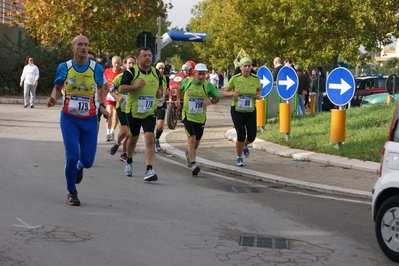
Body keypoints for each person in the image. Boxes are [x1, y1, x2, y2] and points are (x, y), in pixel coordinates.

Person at [46, 35, 109, 206]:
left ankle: (80, 168)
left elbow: (101, 88)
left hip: (89, 120)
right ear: (73, 48)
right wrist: (53, 98)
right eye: (79, 44)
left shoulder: (97, 68)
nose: (83, 47)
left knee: (87, 161)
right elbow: (58, 87)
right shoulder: (64, 67)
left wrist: (102, 105)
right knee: (72, 156)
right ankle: (72, 191)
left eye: (86, 45)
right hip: (69, 118)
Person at [119, 47, 163, 181]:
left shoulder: (156, 73)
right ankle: (129, 161)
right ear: (138, 59)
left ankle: (149, 170)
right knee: (133, 139)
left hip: (149, 111)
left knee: (150, 139)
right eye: (144, 55)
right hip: (134, 111)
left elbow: (160, 87)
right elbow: (121, 88)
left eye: (149, 55)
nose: (148, 58)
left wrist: (159, 93)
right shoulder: (131, 72)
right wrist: (135, 86)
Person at [176, 63, 220, 175]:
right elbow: (179, 89)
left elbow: (217, 98)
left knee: (196, 142)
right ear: (194, 73)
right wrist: (178, 99)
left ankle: (188, 152)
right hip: (187, 115)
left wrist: (211, 101)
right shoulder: (187, 82)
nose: (201, 76)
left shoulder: (208, 85)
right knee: (192, 138)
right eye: (199, 74)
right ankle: (193, 164)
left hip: (200, 117)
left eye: (203, 74)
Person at [223, 56, 261, 166]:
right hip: (237, 110)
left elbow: (259, 90)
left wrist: (258, 95)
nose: (247, 68)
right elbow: (225, 92)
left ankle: (244, 145)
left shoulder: (255, 79)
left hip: (250, 110)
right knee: (240, 135)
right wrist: (232, 94)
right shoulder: (235, 78)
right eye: (245, 66)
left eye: (249, 66)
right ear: (241, 67)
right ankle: (239, 157)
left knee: (252, 136)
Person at [109, 56, 136, 162]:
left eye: (133, 63)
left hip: (133, 108)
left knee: (130, 134)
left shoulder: (137, 77)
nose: (131, 65)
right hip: (122, 108)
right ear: (124, 64)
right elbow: (111, 90)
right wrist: (118, 97)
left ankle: (124, 153)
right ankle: (117, 143)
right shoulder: (119, 77)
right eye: (129, 63)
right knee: (124, 132)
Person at [104, 56, 123, 141]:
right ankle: (108, 133)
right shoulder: (107, 71)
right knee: (109, 113)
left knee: (116, 116)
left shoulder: (122, 73)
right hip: (109, 96)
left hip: (118, 97)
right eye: (115, 63)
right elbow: (103, 82)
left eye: (118, 63)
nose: (116, 65)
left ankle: (112, 132)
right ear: (112, 63)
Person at [153, 61, 170, 152]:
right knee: (150, 126)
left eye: (162, 68)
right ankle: (150, 141)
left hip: (161, 104)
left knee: (160, 125)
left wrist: (167, 93)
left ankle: (156, 140)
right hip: (152, 104)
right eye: (159, 68)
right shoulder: (152, 77)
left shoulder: (166, 79)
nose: (161, 70)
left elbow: (168, 90)